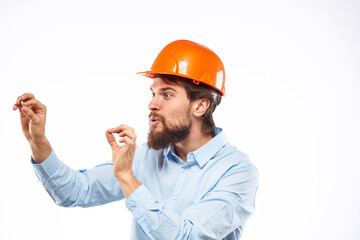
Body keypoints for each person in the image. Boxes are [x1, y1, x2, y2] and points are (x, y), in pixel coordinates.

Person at [13, 40, 258, 239]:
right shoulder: (145, 157)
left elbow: (188, 234)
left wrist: (127, 178)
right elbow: (75, 191)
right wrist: (37, 140)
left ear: (200, 105)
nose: (152, 104)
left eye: (167, 94)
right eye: (153, 93)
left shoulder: (237, 171)